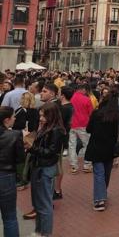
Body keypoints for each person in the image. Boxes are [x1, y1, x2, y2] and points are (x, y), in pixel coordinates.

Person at [28, 102, 66, 237]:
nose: (41, 118)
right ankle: (39, 231)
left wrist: (31, 147)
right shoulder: (46, 127)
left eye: (43, 116)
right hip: (39, 166)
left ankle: (45, 233)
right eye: (40, 116)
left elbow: (50, 152)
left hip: (45, 168)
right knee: (39, 203)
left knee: (44, 203)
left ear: (51, 115)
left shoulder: (56, 130)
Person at [85, 89, 119, 211]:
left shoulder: (96, 113)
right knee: (106, 172)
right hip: (111, 147)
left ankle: (99, 199)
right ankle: (102, 193)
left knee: (99, 173)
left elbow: (88, 129)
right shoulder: (118, 114)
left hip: (97, 146)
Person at [0, 106, 25, 237]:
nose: (15, 118)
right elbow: (20, 158)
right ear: (6, 120)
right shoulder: (15, 135)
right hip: (6, 176)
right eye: (13, 116)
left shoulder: (13, 134)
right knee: (9, 216)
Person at [69, 84, 94, 174]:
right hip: (84, 124)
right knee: (87, 144)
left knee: (72, 145)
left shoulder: (71, 98)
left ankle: (73, 166)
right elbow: (91, 113)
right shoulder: (87, 99)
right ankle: (87, 165)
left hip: (72, 124)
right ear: (83, 89)